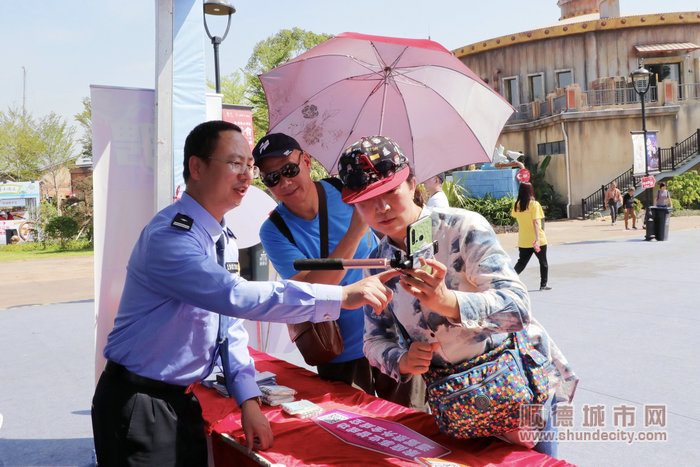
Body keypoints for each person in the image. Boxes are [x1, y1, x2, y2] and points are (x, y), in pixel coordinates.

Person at [91, 121, 399, 467]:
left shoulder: (222, 238)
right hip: (141, 401)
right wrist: (341, 297)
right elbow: (237, 297)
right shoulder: (172, 238)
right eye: (235, 164)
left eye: (248, 167)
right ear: (197, 167)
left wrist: (248, 400)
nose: (247, 177)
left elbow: (228, 326)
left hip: (182, 400)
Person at [338, 135, 576, 457]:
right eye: (367, 198)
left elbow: (518, 307)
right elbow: (373, 340)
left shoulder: (463, 228)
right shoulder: (377, 264)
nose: (380, 207)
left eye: (390, 191)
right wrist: (403, 360)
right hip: (457, 405)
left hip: (517, 389)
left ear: (411, 182)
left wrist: (449, 303)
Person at [254, 133, 426, 410]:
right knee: (354, 429)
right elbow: (312, 293)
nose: (284, 182)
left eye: (289, 170)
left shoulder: (346, 190)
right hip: (339, 348)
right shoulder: (274, 230)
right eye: (272, 178)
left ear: (306, 161)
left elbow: (401, 236)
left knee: (413, 421)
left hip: (394, 332)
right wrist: (355, 231)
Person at [511, 182, 551, 291]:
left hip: (523, 240)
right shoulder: (534, 204)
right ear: (531, 191)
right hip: (537, 240)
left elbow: (517, 217)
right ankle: (543, 285)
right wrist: (537, 240)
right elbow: (536, 223)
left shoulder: (516, 205)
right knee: (543, 262)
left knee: (521, 263)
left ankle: (509, 280)